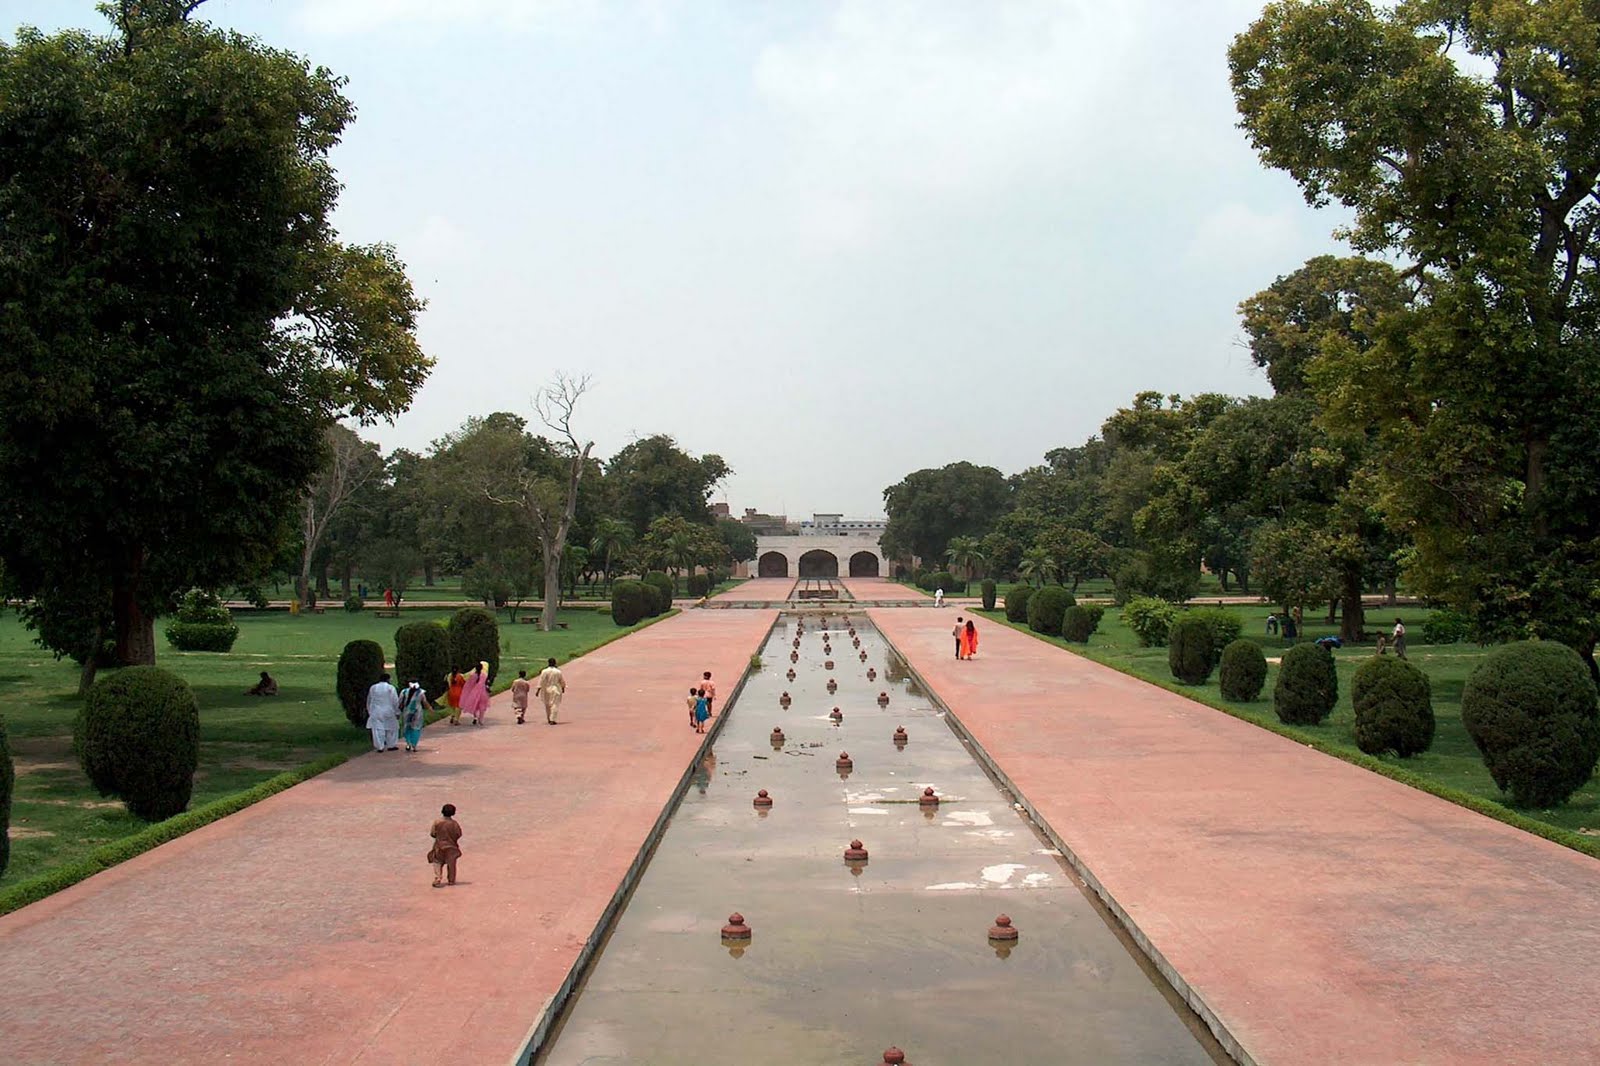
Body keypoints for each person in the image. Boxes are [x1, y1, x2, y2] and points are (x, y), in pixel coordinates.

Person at [427, 803, 463, 888]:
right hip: (452, 847)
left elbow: (432, 833)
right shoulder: (454, 824)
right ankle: (451, 880)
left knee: (437, 861)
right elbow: (459, 834)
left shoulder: (437, 822)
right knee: (451, 864)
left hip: (439, 845)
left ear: (442, 811)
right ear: (453, 813)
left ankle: (438, 877)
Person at [366, 672, 401, 752]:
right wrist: (397, 712)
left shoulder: (373, 687)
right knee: (392, 728)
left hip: (376, 711)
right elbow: (395, 701)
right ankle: (391, 745)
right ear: (388, 679)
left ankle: (379, 746)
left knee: (377, 729)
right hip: (389, 710)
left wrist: (370, 711)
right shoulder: (390, 688)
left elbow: (370, 700)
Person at [400, 680, 432, 752]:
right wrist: (430, 708)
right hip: (417, 713)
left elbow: (400, 702)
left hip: (407, 712)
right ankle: (414, 745)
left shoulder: (404, 691)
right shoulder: (421, 692)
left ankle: (408, 744)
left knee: (407, 727)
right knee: (415, 728)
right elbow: (424, 701)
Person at [537, 656, 566, 725]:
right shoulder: (558, 671)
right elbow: (561, 681)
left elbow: (541, 681)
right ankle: (552, 719)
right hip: (555, 689)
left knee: (547, 705)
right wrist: (563, 688)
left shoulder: (544, 671)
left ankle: (549, 719)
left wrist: (538, 690)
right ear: (555, 663)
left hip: (546, 689)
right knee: (554, 704)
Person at [460, 662, 490, 726]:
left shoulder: (473, 675)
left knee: (474, 705)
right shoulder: (484, 675)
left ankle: (475, 717)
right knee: (482, 706)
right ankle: (481, 720)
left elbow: (469, 685)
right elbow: (486, 683)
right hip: (482, 692)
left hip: (474, 693)